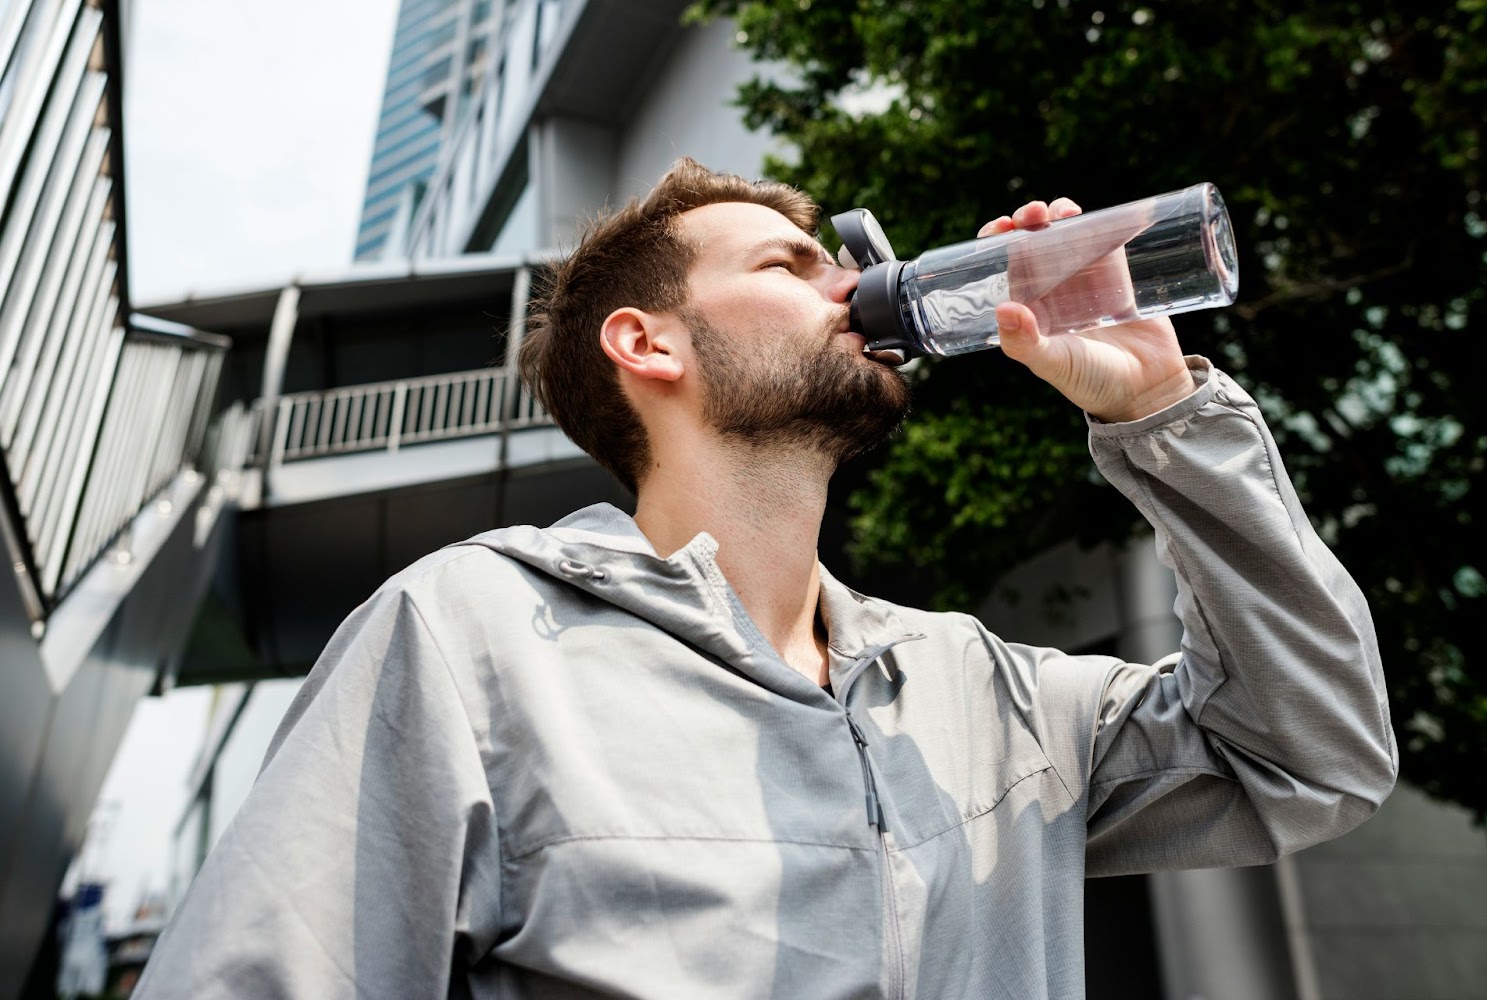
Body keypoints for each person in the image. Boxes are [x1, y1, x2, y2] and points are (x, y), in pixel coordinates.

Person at [134, 159, 1397, 999]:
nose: (849, 286)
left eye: (834, 261)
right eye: (789, 268)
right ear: (648, 343)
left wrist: (1165, 410)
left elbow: (1308, 757)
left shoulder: (980, 687)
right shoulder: (471, 637)